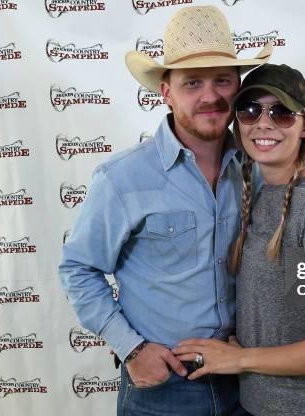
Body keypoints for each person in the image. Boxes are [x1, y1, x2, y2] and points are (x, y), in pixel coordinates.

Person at [58, 5, 272, 416]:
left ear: (238, 86)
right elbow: (78, 269)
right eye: (193, 83)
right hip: (163, 393)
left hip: (249, 383)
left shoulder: (260, 171)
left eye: (222, 81)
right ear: (166, 92)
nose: (211, 96)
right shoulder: (121, 178)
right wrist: (132, 348)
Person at [172, 64, 305, 416]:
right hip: (254, 406)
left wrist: (239, 359)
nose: (264, 123)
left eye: (283, 112)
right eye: (250, 110)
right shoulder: (257, 190)